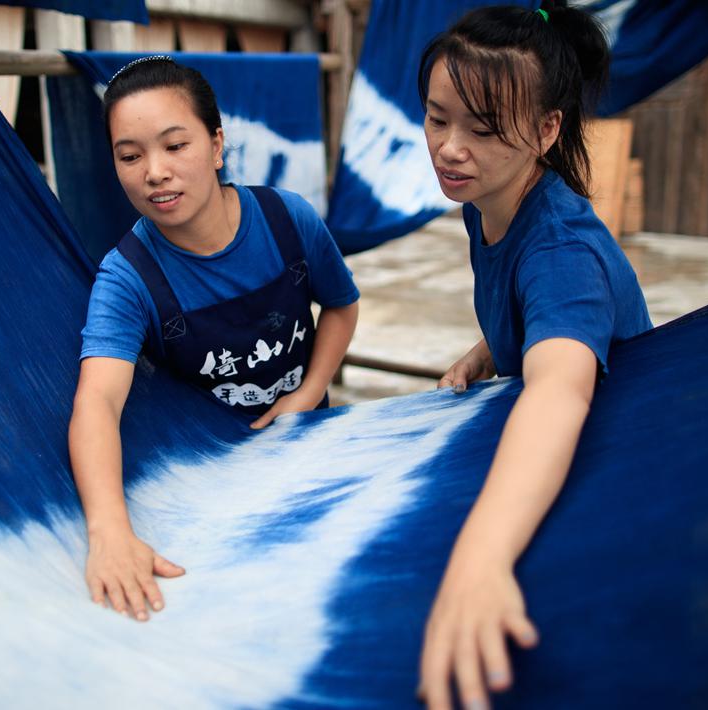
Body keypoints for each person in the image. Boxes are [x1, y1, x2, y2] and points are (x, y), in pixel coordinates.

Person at [414, 4, 652, 708]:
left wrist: (479, 561)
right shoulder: (484, 197)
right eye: (436, 118)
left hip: (617, 451)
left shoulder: (559, 250)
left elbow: (560, 392)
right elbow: (535, 311)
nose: (449, 148)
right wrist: (486, 349)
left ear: (547, 130)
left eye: (482, 129)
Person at [67, 56, 360, 623]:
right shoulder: (126, 277)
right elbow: (97, 401)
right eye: (130, 156)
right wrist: (108, 531)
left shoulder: (286, 220)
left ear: (217, 144)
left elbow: (341, 307)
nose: (155, 171)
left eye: (175, 146)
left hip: (308, 448)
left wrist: (308, 393)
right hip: (213, 477)